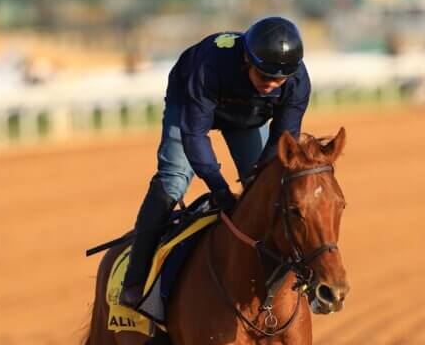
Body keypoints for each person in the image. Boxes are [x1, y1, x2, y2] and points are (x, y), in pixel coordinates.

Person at [118, 16, 311, 310]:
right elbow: (194, 136)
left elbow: (282, 142)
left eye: (279, 81)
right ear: (247, 60)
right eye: (264, 77)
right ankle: (135, 280)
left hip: (246, 116)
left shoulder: (297, 81)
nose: (271, 86)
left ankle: (280, 278)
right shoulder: (211, 66)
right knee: (172, 180)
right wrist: (220, 191)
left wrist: (258, 180)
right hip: (190, 102)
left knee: (268, 184)